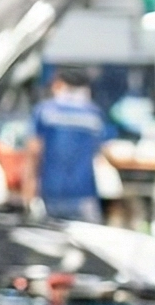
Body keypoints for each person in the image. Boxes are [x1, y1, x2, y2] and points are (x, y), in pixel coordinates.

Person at [22, 67, 112, 224]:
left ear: (59, 84)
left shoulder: (44, 111)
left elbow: (34, 153)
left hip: (51, 192)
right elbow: (101, 151)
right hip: (84, 193)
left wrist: (28, 194)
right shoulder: (94, 113)